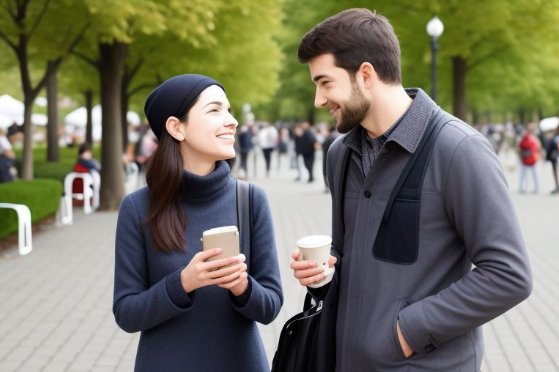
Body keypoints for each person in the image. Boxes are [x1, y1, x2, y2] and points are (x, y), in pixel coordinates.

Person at [290, 9, 532, 372]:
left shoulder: (459, 150)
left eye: (325, 83)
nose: (319, 100)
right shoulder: (339, 155)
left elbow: (508, 274)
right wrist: (323, 273)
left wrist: (407, 331)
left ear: (366, 74)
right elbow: (347, 251)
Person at [113, 74, 283, 372]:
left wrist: (243, 285)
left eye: (229, 110)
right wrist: (183, 283)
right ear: (176, 127)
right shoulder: (138, 206)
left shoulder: (251, 199)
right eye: (215, 110)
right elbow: (127, 313)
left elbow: (270, 306)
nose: (231, 121)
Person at [517, 122, 541, 193]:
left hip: (532, 158)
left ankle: (535, 188)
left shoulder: (533, 138)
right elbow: (519, 148)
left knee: (534, 174)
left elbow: (537, 148)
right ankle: (523, 187)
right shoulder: (523, 139)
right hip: (525, 158)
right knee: (524, 174)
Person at [545, 127, 559, 194]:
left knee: (556, 173)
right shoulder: (555, 137)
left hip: (555, 157)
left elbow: (549, 147)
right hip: (555, 157)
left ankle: (557, 187)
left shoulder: (555, 137)